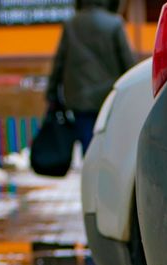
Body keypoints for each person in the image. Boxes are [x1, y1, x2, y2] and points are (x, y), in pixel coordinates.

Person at [46, 0, 135, 154]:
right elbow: (127, 62)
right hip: (109, 97)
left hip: (80, 97)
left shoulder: (71, 24)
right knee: (109, 145)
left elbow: (60, 61)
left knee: (88, 146)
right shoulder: (114, 23)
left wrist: (52, 92)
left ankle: (90, 174)